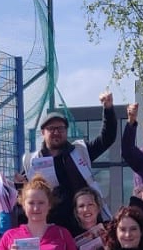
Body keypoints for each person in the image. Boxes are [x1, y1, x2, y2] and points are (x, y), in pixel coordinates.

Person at [20, 92, 117, 229]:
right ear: (43, 133)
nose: (56, 132)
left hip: (84, 224)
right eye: (51, 129)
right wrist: (18, 183)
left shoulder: (80, 151)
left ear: (66, 131)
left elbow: (107, 138)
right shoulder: (31, 161)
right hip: (51, 226)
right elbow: (24, 192)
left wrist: (108, 109)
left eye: (61, 128)